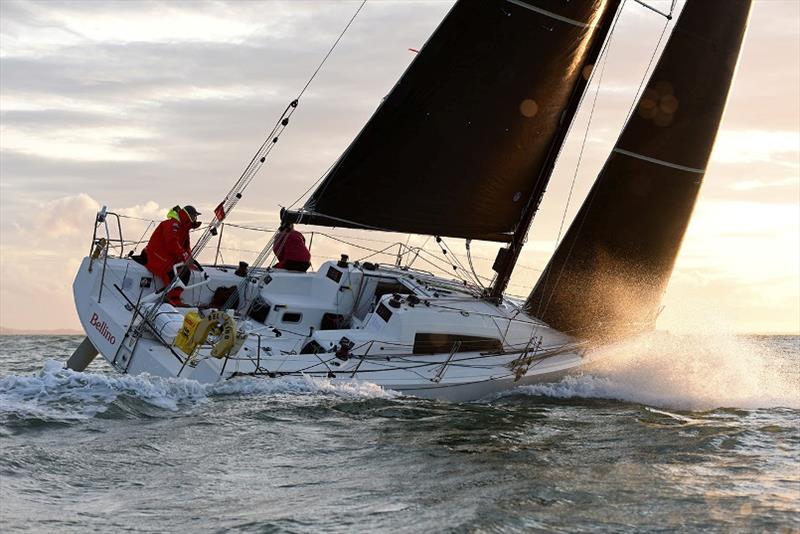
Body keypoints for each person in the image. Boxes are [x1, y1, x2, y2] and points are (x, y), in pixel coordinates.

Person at [141, 205, 202, 306]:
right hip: (155, 256)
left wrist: (189, 259)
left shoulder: (184, 228)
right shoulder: (172, 224)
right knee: (170, 270)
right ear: (189, 216)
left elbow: (186, 247)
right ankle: (171, 298)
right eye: (195, 216)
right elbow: (172, 243)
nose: (196, 219)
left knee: (185, 271)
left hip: (166, 256)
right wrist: (185, 256)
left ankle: (174, 297)